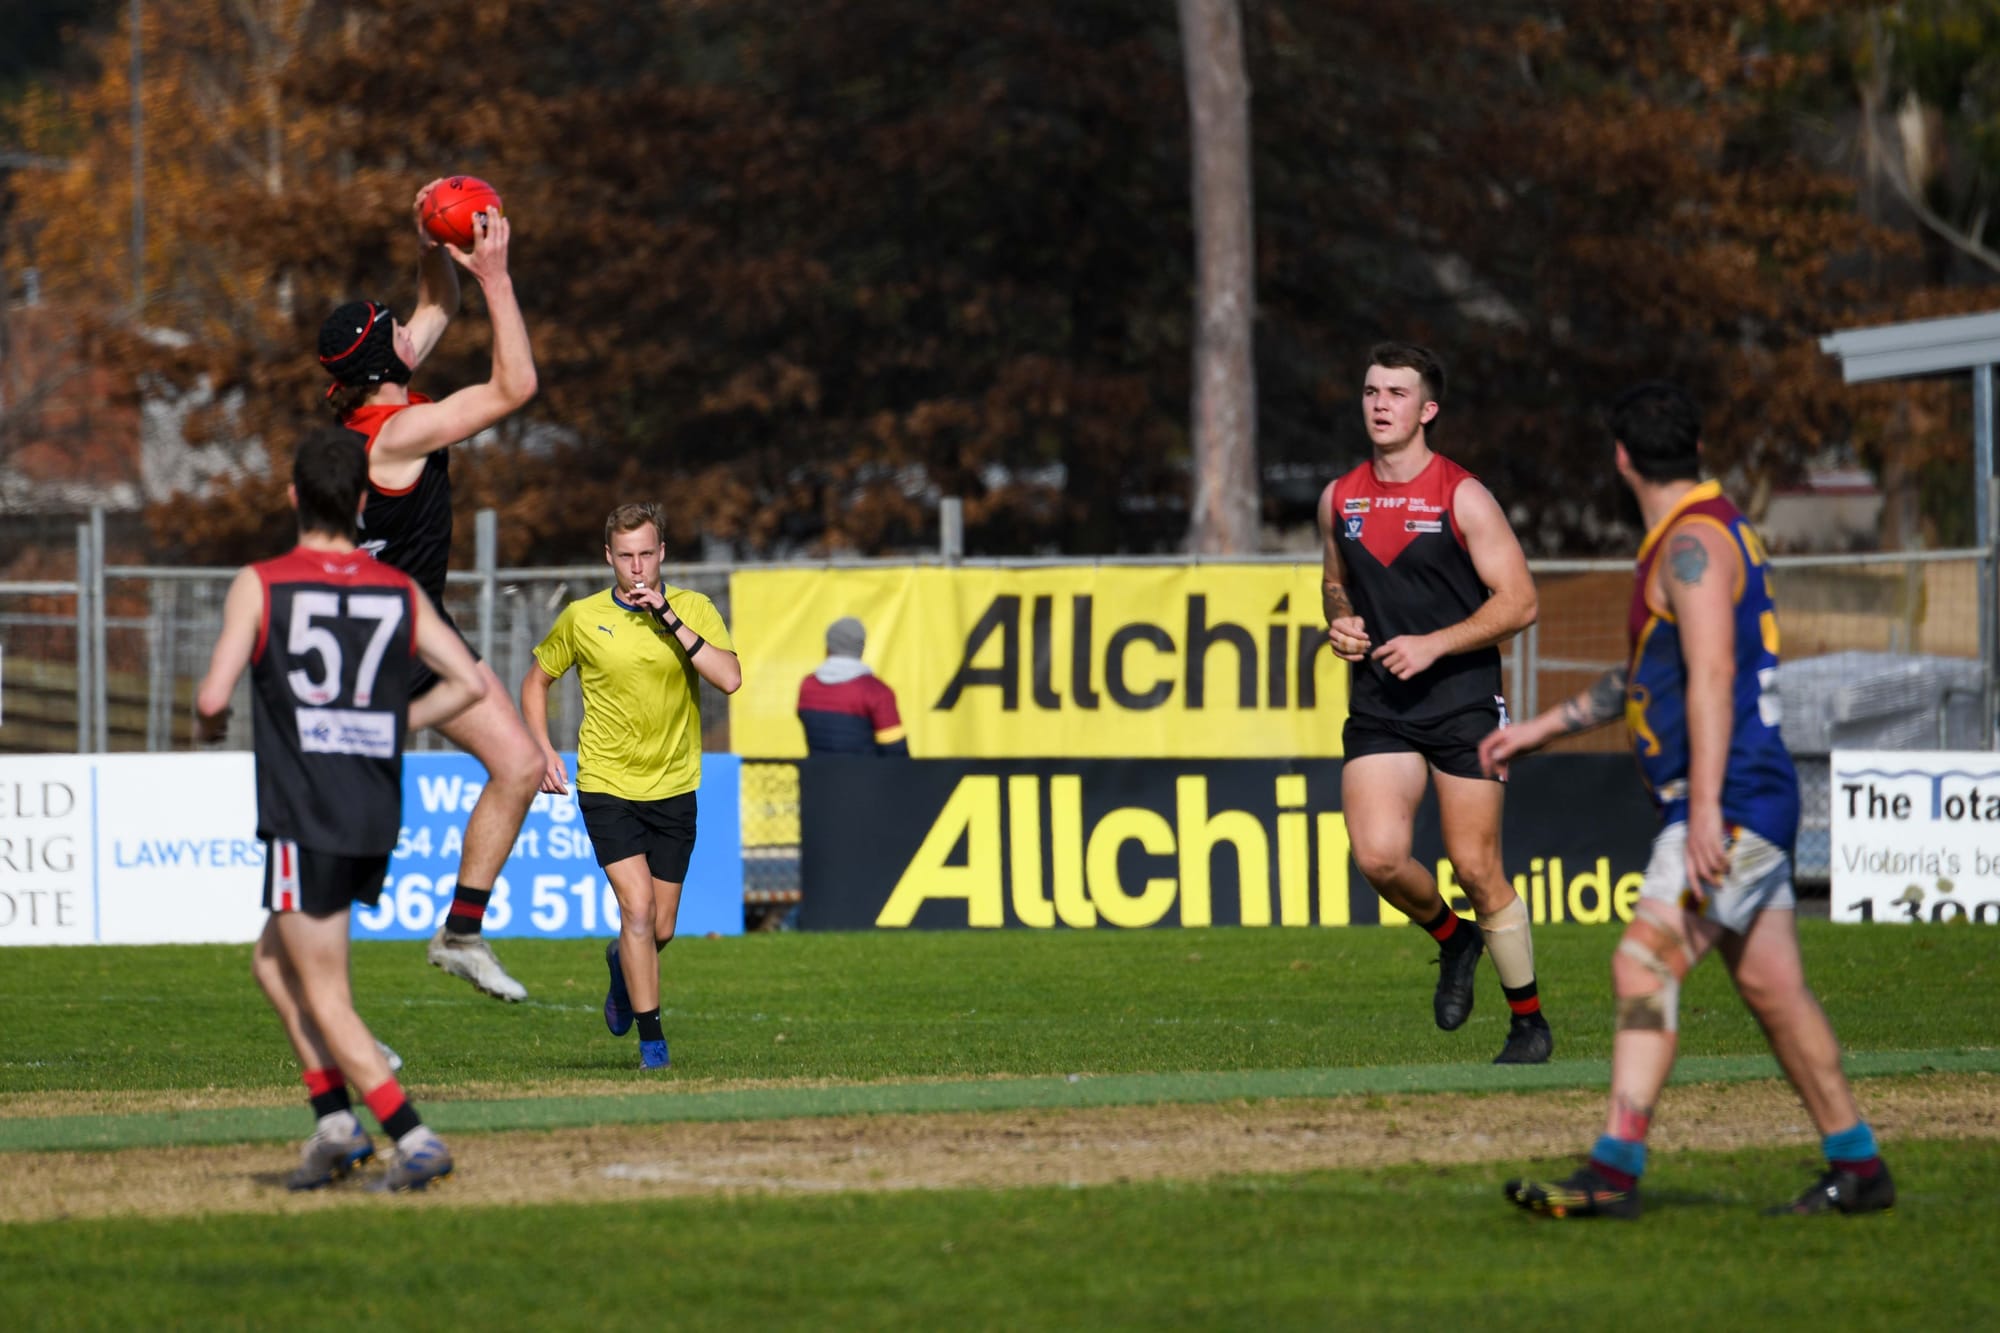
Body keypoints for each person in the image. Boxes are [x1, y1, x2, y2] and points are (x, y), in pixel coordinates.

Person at [1486, 383, 1892, 1219]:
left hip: (1731, 801)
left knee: (1642, 962)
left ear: (1622, 457)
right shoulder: (1698, 531)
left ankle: (1614, 1169)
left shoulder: (1693, 542)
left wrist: (1705, 809)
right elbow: (1651, 678)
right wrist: (1543, 729)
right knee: (1775, 987)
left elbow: (1710, 672)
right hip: (1743, 796)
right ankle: (1858, 1166)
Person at [195, 428, 486, 1192]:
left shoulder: (262, 582)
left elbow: (211, 696)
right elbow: (470, 684)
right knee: (272, 962)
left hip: (305, 810)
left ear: (294, 497)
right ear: (362, 502)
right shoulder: (398, 588)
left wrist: (211, 722)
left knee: (325, 994)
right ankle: (332, 1124)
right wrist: (390, 717)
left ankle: (411, 1135)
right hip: (373, 807)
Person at [315, 178, 542, 1002]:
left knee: (516, 765)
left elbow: (429, 306)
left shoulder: (368, 414)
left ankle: (460, 932)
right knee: (361, 825)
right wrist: (497, 275)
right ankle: (330, 996)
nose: (412, 327)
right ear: (390, 363)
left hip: (405, 629)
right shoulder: (402, 431)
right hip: (403, 640)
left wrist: (430, 240)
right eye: (399, 333)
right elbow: (516, 387)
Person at [1317, 342, 1551, 1063]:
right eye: (1370, 391)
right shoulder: (1339, 497)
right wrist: (1341, 620)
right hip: (1382, 700)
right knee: (1380, 857)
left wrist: (1434, 644)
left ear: (1428, 410)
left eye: (1396, 392)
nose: (1380, 404)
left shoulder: (1462, 495)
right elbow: (1334, 581)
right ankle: (1455, 942)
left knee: (1476, 866)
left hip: (1462, 698)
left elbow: (1521, 603)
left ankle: (1529, 1024)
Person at [520, 503, 742, 1069]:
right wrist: (543, 750)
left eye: (646, 554)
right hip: (606, 783)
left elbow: (730, 678)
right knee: (638, 911)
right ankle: (654, 1046)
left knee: (659, 926)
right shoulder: (581, 617)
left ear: (662, 553)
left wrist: (667, 614)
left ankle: (622, 968)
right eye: (626, 557)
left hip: (674, 784)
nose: (637, 567)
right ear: (609, 558)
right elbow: (535, 681)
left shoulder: (693, 608)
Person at [797, 616, 908, 755]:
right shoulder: (876, 691)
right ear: (861, 648)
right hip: (865, 775)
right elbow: (895, 749)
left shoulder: (808, 685)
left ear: (828, 647)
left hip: (817, 775)